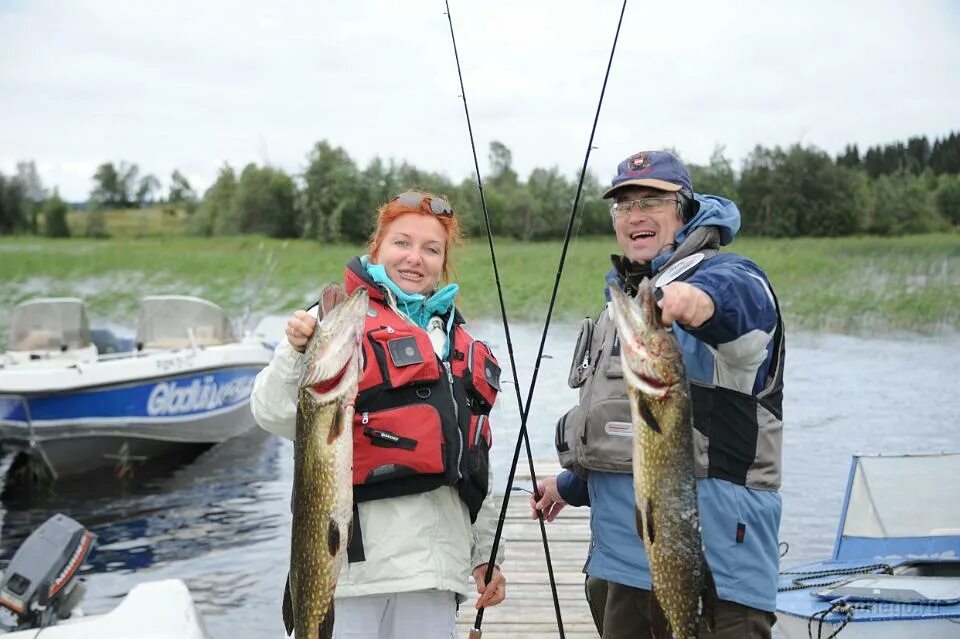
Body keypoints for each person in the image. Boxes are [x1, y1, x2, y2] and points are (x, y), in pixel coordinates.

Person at [532, 151, 785, 638]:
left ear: (684, 209)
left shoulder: (732, 277)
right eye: (624, 206)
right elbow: (634, 441)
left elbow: (742, 304)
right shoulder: (624, 311)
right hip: (622, 568)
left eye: (652, 201)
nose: (636, 215)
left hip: (717, 575)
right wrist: (570, 485)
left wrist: (695, 300)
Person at [252, 190, 507, 639]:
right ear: (377, 248)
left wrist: (487, 554)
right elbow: (272, 414)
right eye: (402, 243)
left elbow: (475, 461)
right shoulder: (333, 321)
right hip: (349, 574)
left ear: (443, 262)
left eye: (431, 249)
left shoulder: (456, 343)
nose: (415, 258)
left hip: (434, 571)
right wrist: (294, 352)